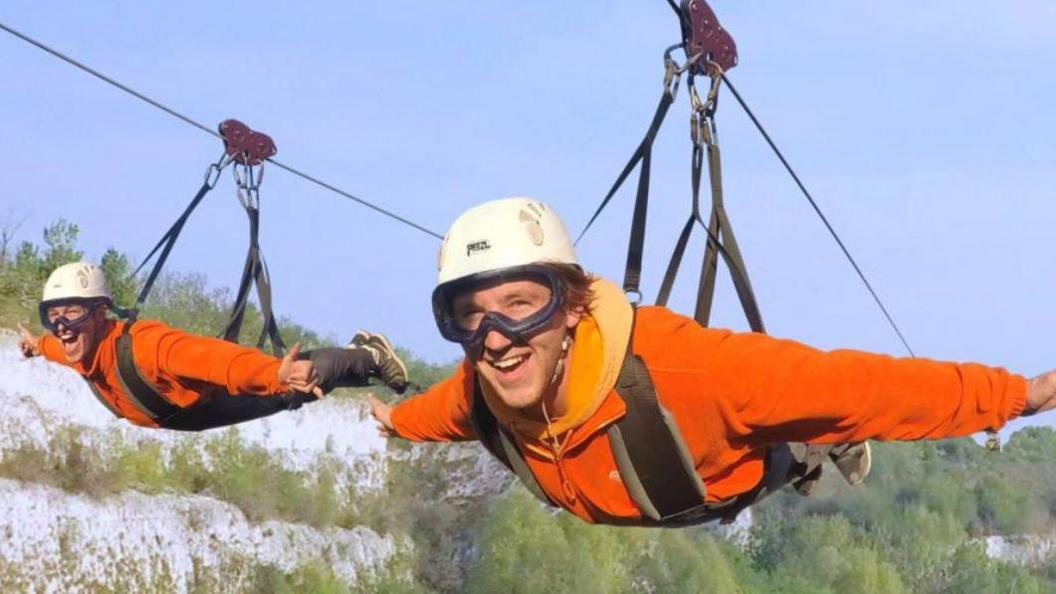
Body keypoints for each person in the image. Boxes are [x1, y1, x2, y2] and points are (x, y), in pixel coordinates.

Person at [368, 197, 1047, 527]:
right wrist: (394, 421)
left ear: (572, 305)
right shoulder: (481, 391)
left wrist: (1017, 397)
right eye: (468, 316)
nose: (495, 337)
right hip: (662, 487)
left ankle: (821, 443)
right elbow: (442, 410)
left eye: (522, 304)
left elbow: (877, 386)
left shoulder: (700, 374)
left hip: (729, 470)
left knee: (810, 421)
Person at [18, 261, 409, 431]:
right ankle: (356, 357)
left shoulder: (147, 347)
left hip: (208, 403)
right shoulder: (78, 350)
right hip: (184, 418)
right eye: (53, 316)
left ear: (101, 312)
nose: (62, 326)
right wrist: (36, 346)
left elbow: (219, 361)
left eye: (73, 313)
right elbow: (56, 347)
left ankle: (368, 353)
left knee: (291, 387)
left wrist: (273, 373)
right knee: (296, 386)